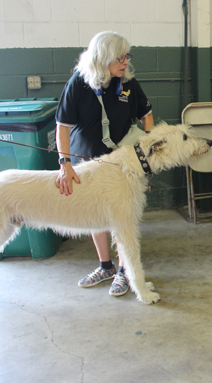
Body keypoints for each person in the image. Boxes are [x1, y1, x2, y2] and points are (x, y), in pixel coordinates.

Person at [55, 31, 154, 297]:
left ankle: (123, 272)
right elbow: (62, 127)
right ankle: (105, 266)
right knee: (95, 214)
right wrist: (65, 164)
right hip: (85, 160)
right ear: (102, 58)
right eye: (119, 57)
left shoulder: (129, 83)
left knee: (122, 219)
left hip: (120, 166)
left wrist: (145, 159)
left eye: (126, 56)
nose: (125, 62)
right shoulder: (79, 82)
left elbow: (147, 117)